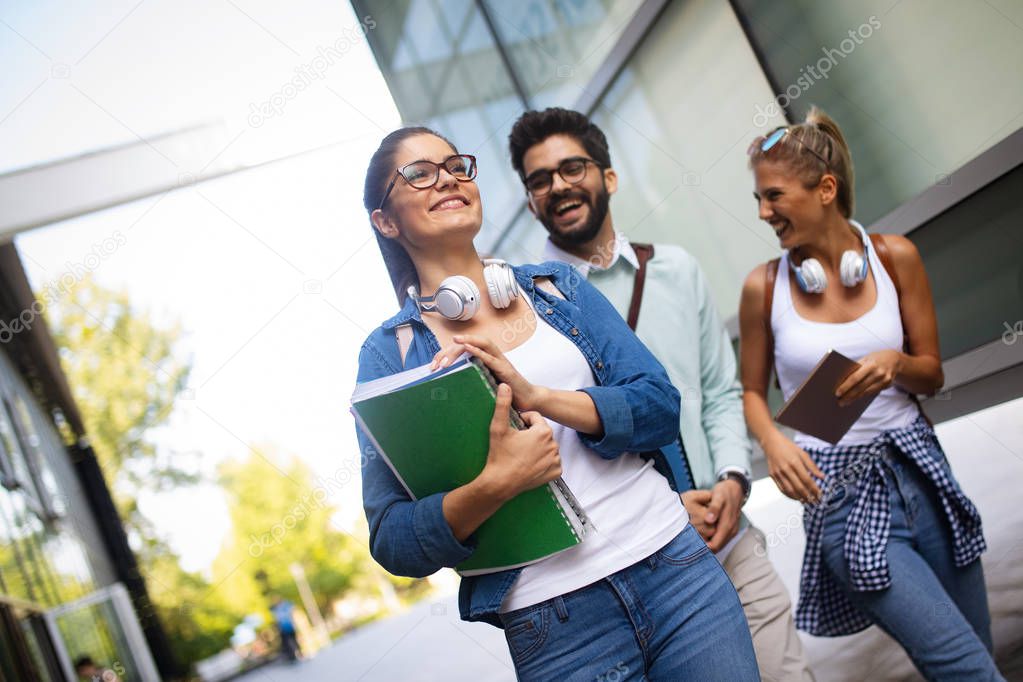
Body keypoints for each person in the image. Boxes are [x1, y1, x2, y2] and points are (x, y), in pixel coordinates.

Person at [355, 126, 759, 680]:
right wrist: (496, 484)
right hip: (556, 623)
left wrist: (540, 396)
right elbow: (394, 540)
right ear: (386, 221)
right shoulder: (389, 355)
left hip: (677, 569)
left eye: (455, 166)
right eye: (419, 173)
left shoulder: (557, 287)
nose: (447, 178)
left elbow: (659, 405)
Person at [509, 106, 814, 681]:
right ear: (530, 201)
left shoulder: (677, 270)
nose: (558, 186)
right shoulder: (528, 311)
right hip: (638, 559)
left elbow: (721, 392)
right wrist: (667, 506)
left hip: (729, 534)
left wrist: (731, 480)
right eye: (540, 179)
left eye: (572, 167)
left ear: (608, 177)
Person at [739, 106, 1002, 680]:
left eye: (774, 195)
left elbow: (932, 374)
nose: (763, 212)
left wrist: (896, 363)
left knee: (978, 652)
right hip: (843, 495)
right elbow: (751, 393)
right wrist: (774, 444)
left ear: (825, 189)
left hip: (921, 471)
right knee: (965, 668)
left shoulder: (894, 257)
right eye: (758, 198)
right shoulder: (764, 287)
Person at [269, 594, 300, 662]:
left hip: (287, 626)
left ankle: (296, 654)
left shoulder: (282, 607)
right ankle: (293, 655)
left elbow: (292, 606)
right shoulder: (282, 607)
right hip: (285, 627)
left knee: (292, 640)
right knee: (290, 641)